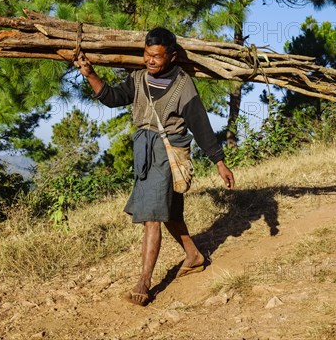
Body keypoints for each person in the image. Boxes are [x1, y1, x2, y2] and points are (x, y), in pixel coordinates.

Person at [74, 27, 235, 306]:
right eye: (147, 55)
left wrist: (219, 162)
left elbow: (200, 125)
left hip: (168, 151)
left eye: (157, 57)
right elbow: (112, 98)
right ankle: (194, 256)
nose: (151, 61)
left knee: (151, 216)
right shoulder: (137, 79)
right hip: (143, 152)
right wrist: (89, 74)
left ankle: (144, 281)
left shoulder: (184, 85)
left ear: (172, 56)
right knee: (168, 212)